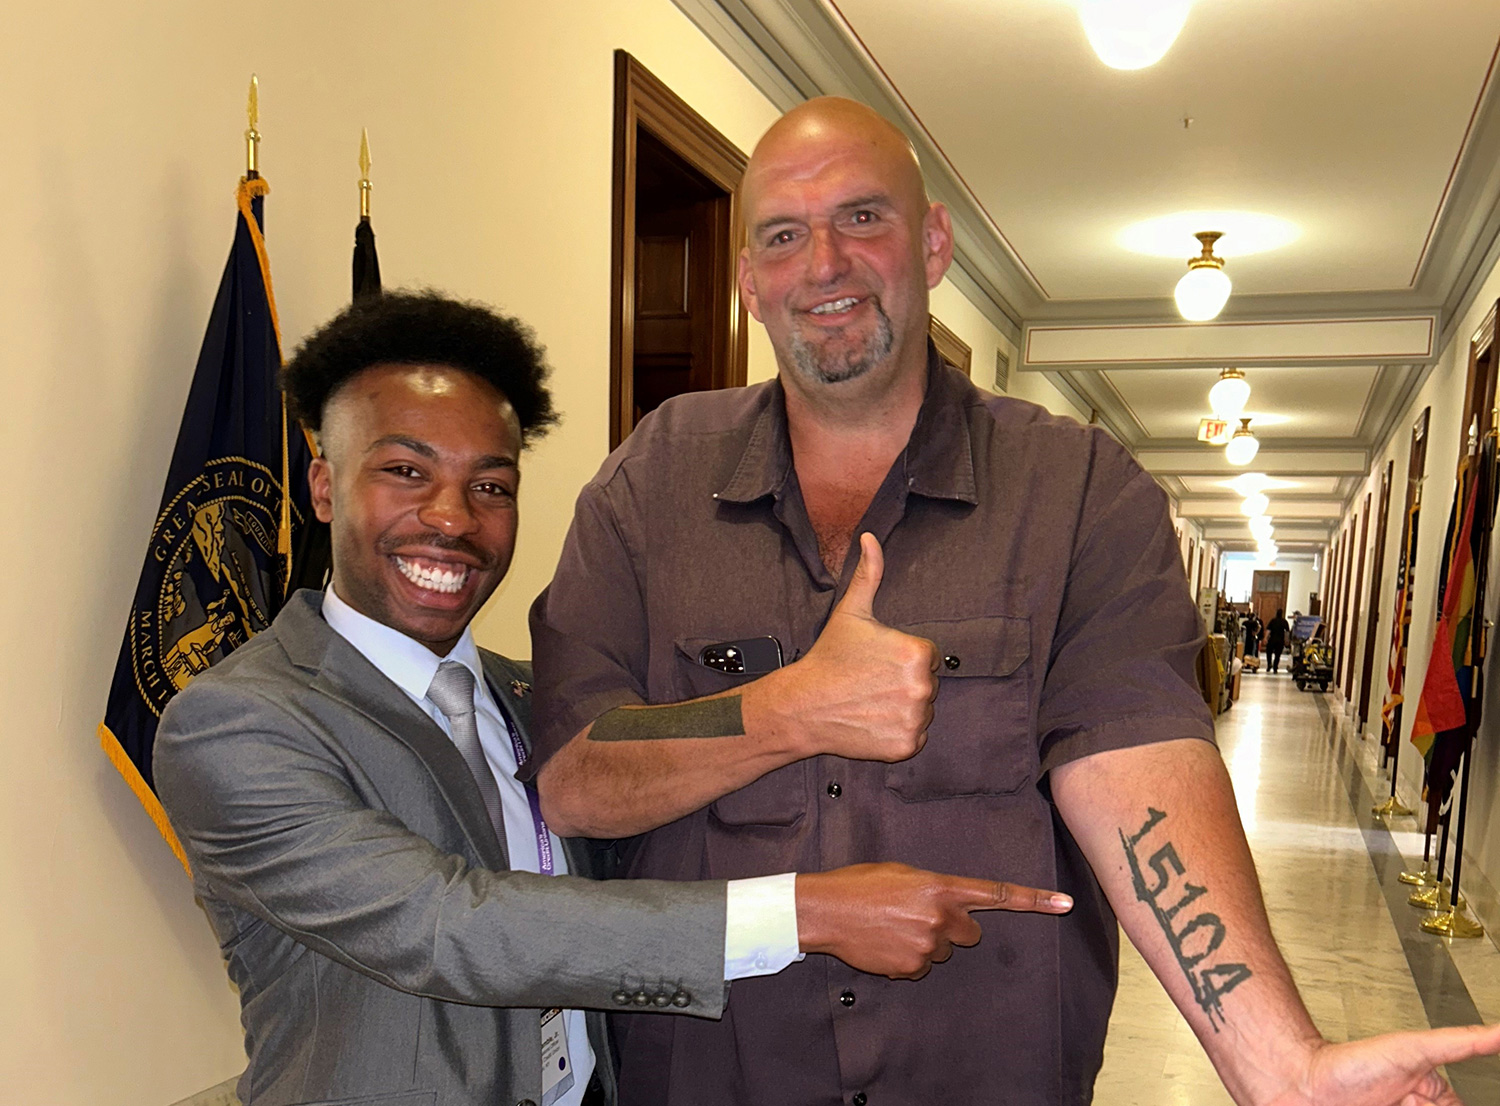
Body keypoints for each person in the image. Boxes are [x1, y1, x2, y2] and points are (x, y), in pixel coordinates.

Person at [527, 98, 1500, 1105]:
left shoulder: (1076, 489)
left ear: (934, 241)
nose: (822, 262)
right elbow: (574, 774)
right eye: (782, 234)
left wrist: (1278, 1062)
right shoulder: (655, 478)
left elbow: (1136, 764)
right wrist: (789, 709)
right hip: (708, 1080)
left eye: (863, 217)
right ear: (746, 282)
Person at [152, 292, 1072, 1106]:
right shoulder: (237, 725)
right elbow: (452, 926)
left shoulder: (523, 695)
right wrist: (812, 911)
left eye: (491, 486)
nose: (451, 517)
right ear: (322, 484)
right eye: (405, 472)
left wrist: (794, 716)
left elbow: (638, 790)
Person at [1267, 608, 1291, 673]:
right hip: (1280, 641)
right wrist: (1287, 641)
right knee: (1278, 655)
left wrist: (1265, 638)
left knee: (1269, 652)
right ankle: (1275, 667)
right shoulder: (1284, 622)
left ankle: (1269, 664)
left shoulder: (1273, 621)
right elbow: (1287, 632)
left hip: (1272, 640)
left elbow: (1268, 630)